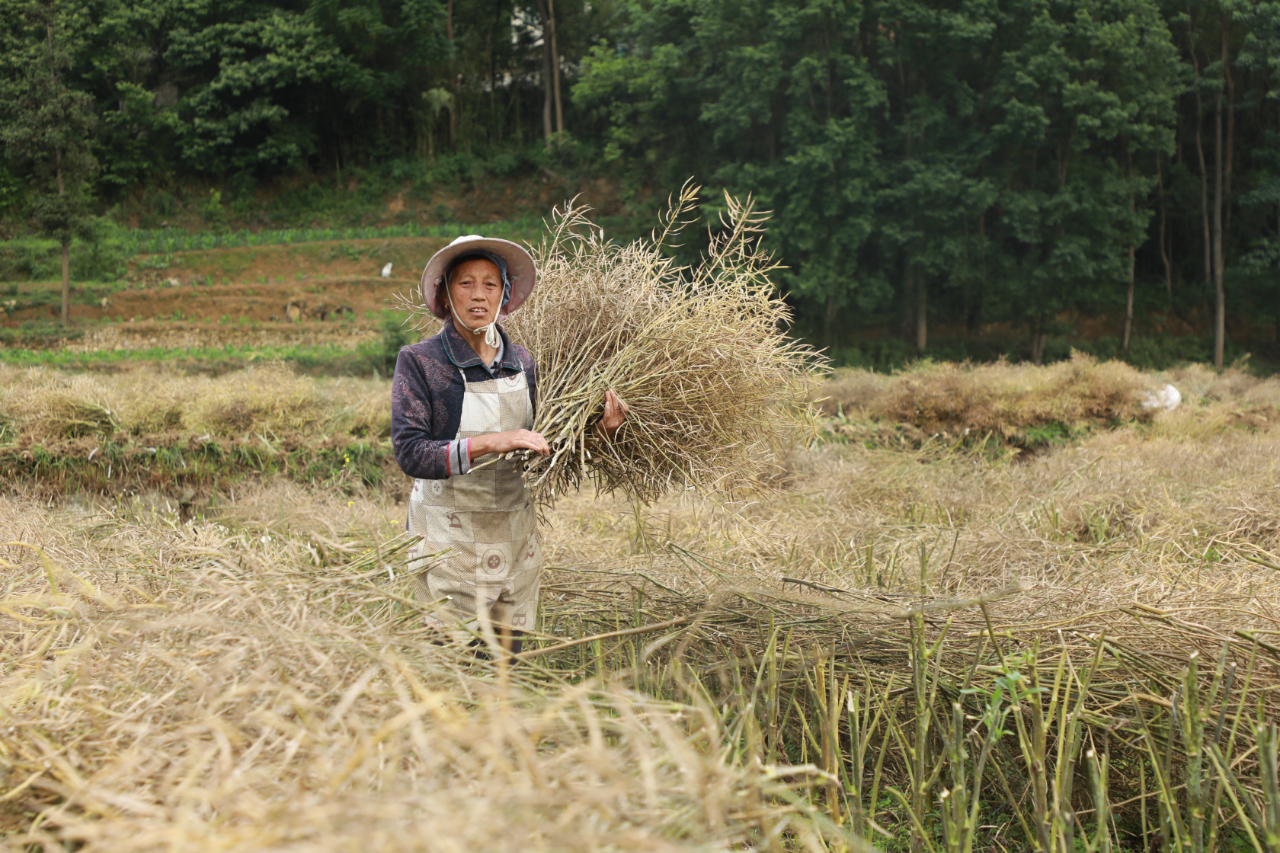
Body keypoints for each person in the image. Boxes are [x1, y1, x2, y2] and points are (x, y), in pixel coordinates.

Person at [391, 235, 626, 655]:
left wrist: (600, 432)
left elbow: (548, 448)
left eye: (490, 284)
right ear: (446, 293)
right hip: (449, 542)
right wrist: (493, 442)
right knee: (451, 673)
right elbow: (411, 453)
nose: (478, 295)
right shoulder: (422, 361)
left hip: (513, 539)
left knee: (506, 671)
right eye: (465, 283)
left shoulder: (526, 363)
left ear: (505, 295)